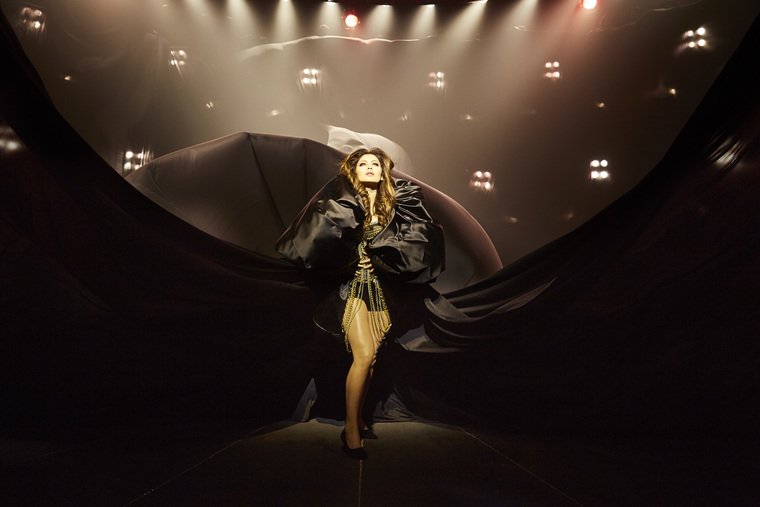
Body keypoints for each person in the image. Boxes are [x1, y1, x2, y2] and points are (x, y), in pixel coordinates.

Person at [276, 147, 444, 459]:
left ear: (383, 172)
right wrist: (352, 254)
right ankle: (351, 429)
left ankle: (360, 417)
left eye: (375, 164)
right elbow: (321, 240)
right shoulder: (341, 203)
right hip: (351, 288)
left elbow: (416, 243)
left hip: (382, 291)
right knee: (364, 354)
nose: (369, 167)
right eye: (363, 164)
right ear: (354, 171)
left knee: (373, 357)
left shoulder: (396, 205)